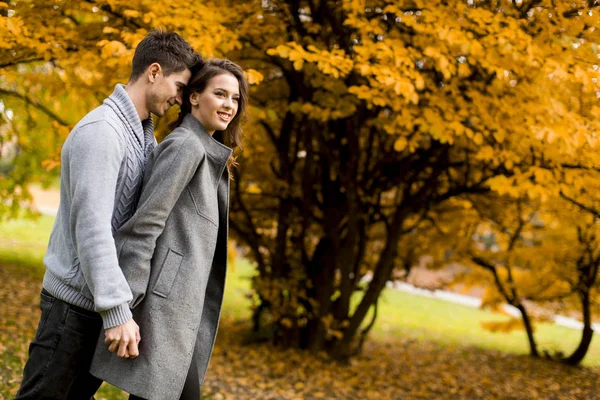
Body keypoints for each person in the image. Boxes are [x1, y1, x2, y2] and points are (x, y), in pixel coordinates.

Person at [16, 30, 200, 399]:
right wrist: (117, 310)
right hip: (71, 310)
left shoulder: (144, 139)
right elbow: (93, 230)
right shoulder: (103, 132)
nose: (180, 99)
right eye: (179, 86)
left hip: (95, 308)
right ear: (153, 72)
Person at [90, 58, 248, 400]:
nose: (228, 105)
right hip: (162, 314)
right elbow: (144, 226)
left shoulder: (208, 152)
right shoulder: (185, 147)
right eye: (220, 94)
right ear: (194, 97)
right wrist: (124, 308)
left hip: (180, 316)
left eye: (235, 98)